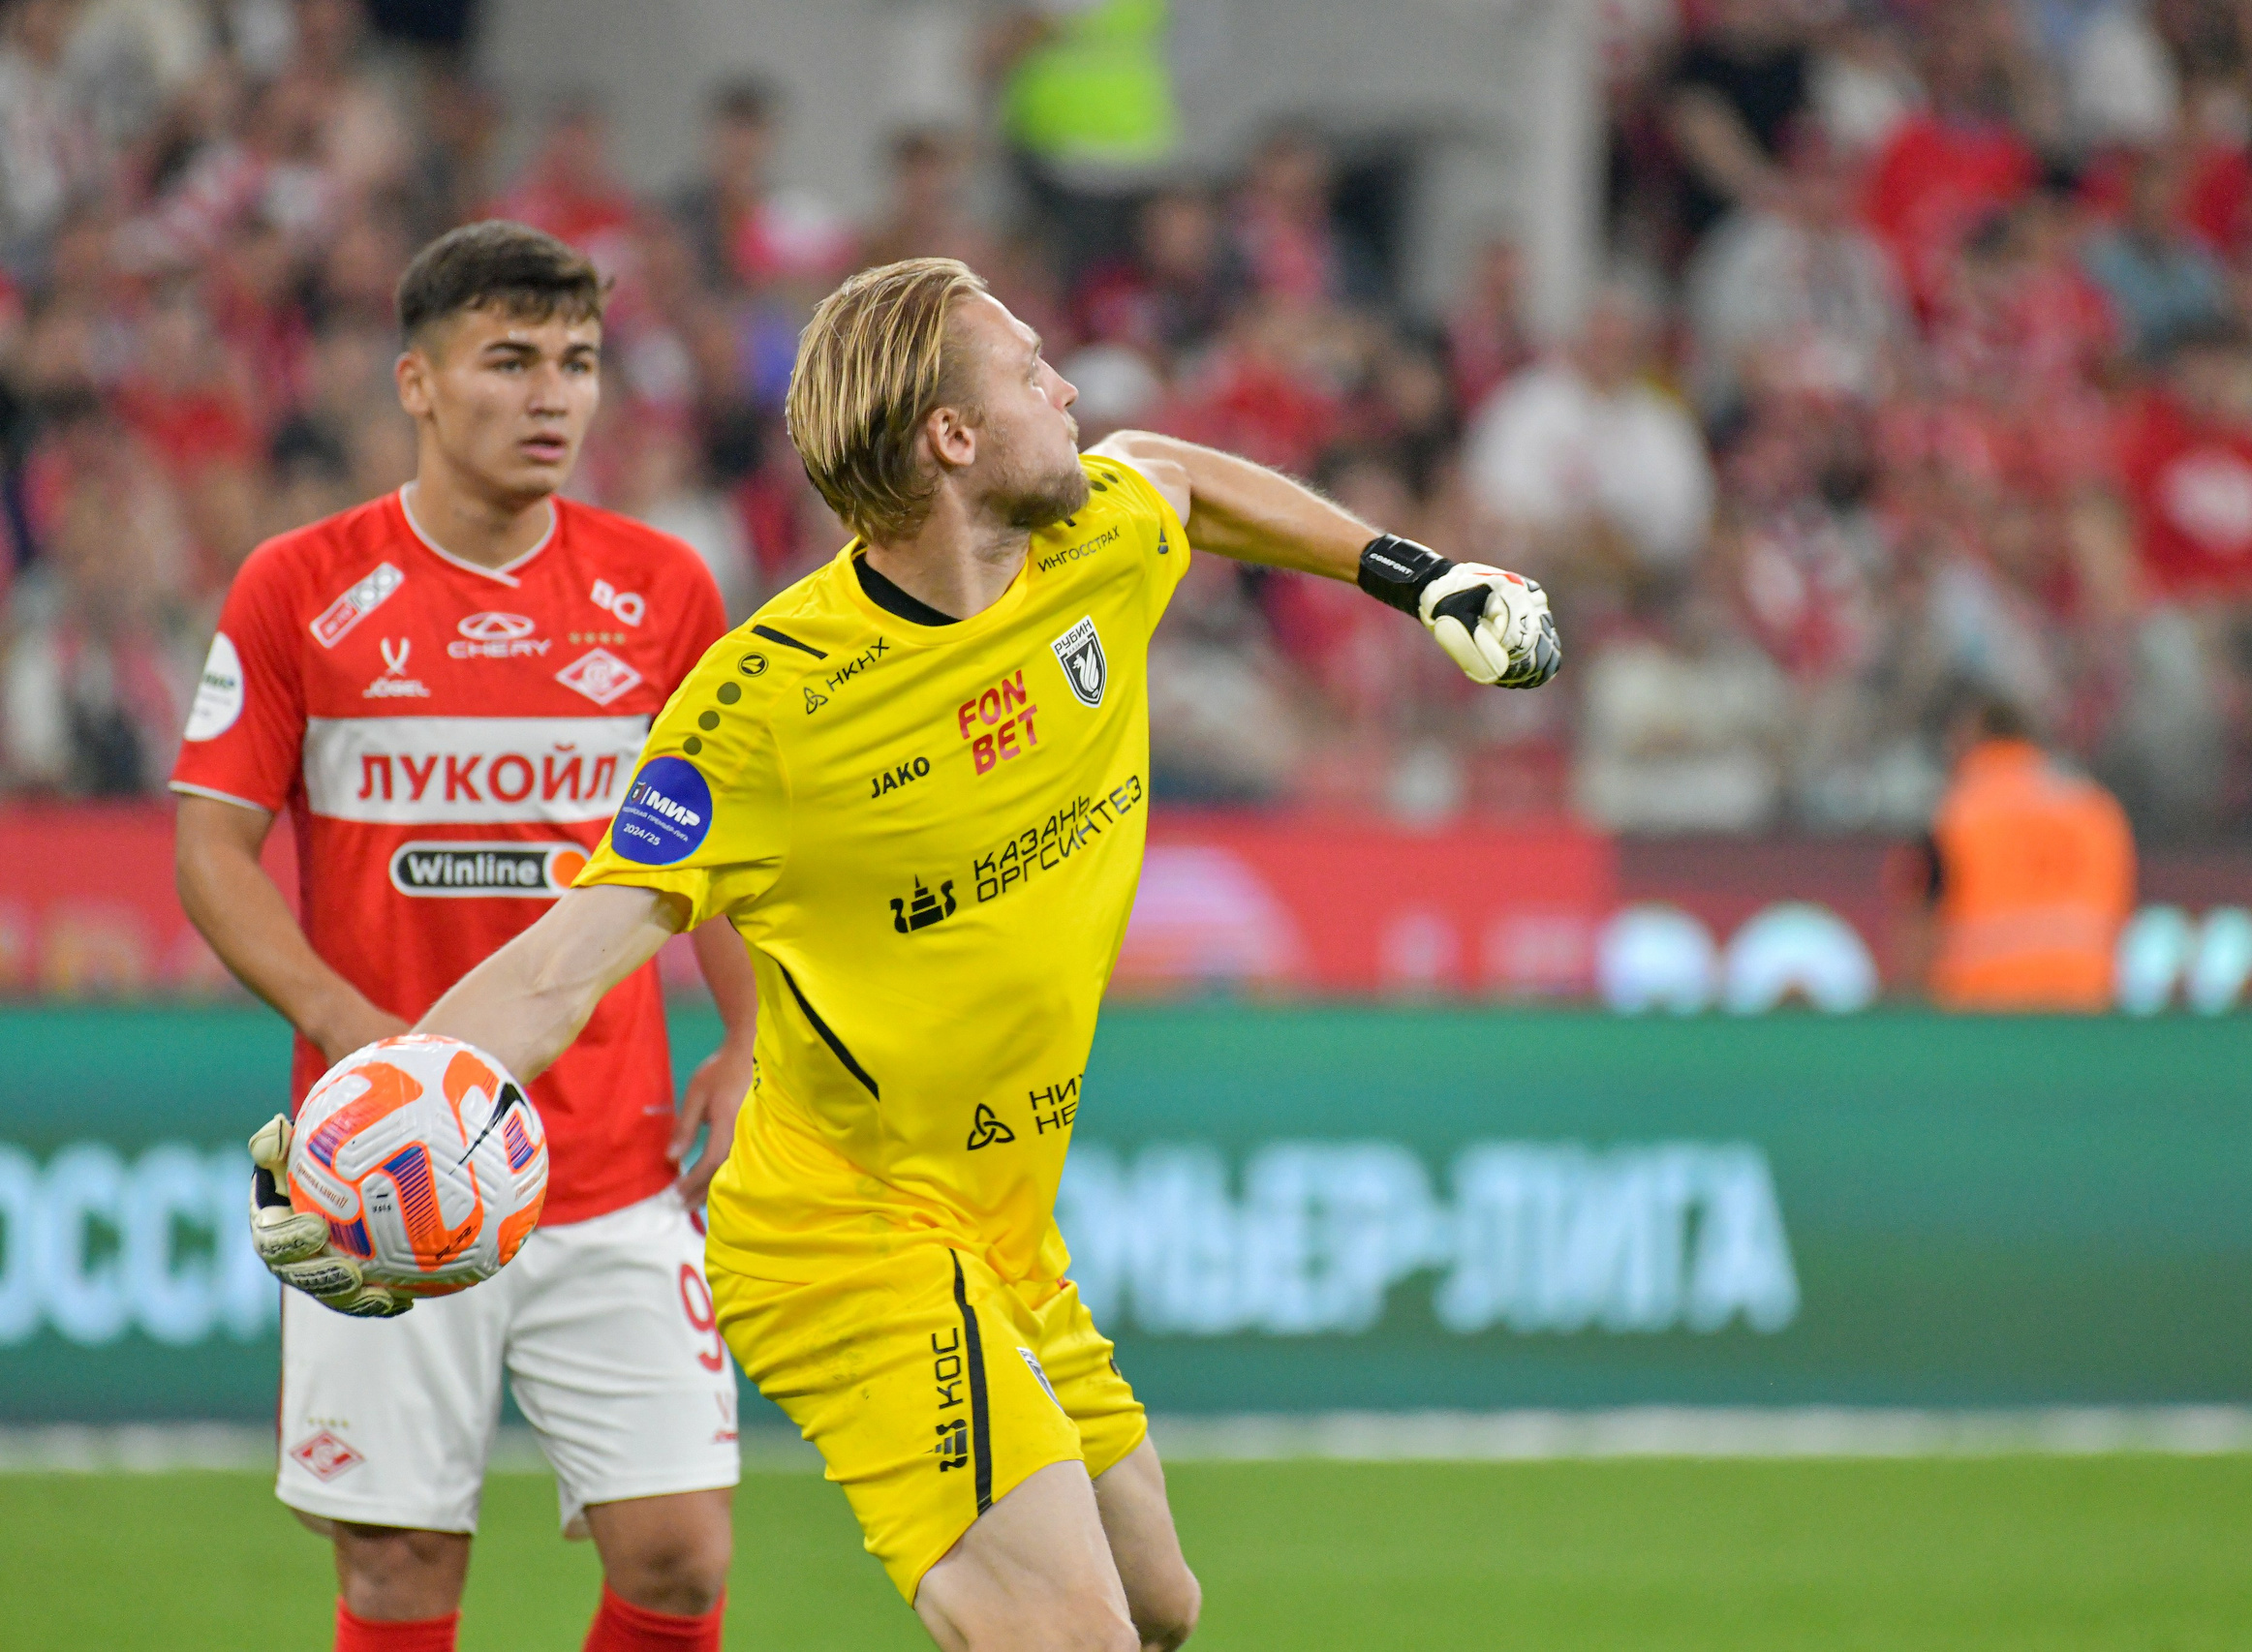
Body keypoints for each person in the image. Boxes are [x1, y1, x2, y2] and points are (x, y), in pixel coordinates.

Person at [333, 256, 1558, 1652]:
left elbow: (1179, 478)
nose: (1067, 388)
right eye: (1031, 370)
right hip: (845, 1237)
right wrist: (371, 1117)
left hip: (1005, 1226)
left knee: (1155, 1605)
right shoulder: (764, 704)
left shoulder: (1094, 543)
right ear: (953, 437)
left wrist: (1418, 577)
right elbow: (567, 957)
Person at [173, 222, 753, 1652]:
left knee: (680, 1556)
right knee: (396, 1568)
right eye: (510, 360)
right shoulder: (297, 585)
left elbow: (722, 857)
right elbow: (210, 851)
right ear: (417, 383)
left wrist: (748, 1039)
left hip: (611, 1161)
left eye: (579, 362)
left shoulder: (665, 589)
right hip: (367, 1173)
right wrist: (354, 1032)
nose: (553, 395)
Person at [1900, 695, 2136, 1011]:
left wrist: (1914, 1002)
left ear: (1971, 737)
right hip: (2084, 1003)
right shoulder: (2095, 810)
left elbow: (1922, 924)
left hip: (1984, 1007)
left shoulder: (1953, 815)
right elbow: (2119, 908)